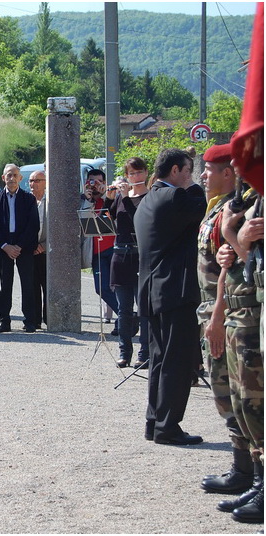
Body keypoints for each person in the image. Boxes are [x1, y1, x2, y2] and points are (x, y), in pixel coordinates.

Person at [194, 143, 254, 499]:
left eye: (209, 169)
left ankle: (248, 473)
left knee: (239, 395)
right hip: (214, 310)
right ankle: (242, 468)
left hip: (230, 310)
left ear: (228, 173)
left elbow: (228, 271)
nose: (203, 175)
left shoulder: (236, 210)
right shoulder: (218, 208)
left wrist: (216, 316)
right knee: (224, 394)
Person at [134, 148, 206, 445]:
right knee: (177, 361)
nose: (190, 177)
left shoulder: (145, 202)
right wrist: (197, 185)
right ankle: (168, 426)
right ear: (174, 171)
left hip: (151, 291)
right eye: (188, 171)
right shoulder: (175, 197)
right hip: (175, 289)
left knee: (159, 360)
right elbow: (199, 205)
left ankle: (154, 422)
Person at [218, 173, 264, 523]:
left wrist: (234, 237)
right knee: (242, 403)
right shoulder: (245, 198)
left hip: (250, 313)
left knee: (254, 404)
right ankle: (257, 477)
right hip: (240, 310)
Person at [0, 163, 40, 333]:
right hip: (3, 248)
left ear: (20, 178)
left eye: (14, 175)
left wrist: (18, 246)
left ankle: (30, 321)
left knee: (28, 283)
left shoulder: (28, 198)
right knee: (5, 284)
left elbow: (33, 225)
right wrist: (5, 246)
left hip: (23, 246)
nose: (11, 178)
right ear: (3, 178)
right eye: (8, 175)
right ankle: (5, 321)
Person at [109, 159, 150, 368]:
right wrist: (109, 198)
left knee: (143, 308)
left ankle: (144, 353)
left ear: (146, 173)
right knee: (124, 310)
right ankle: (124, 352)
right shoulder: (121, 197)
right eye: (131, 173)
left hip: (140, 257)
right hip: (121, 257)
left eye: (139, 172)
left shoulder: (149, 197)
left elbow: (139, 221)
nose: (135, 177)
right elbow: (114, 220)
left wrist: (124, 197)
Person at [84, 169, 120, 334]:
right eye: (92, 181)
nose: (96, 185)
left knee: (116, 287)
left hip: (113, 248)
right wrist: (88, 198)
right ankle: (127, 316)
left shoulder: (112, 196)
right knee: (101, 288)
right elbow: (82, 218)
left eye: (99, 182)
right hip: (96, 251)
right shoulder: (84, 199)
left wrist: (105, 193)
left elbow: (114, 211)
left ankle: (124, 319)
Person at [29, 171, 47, 330]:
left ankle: (50, 318)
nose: (33, 184)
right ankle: (34, 320)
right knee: (32, 286)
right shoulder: (26, 200)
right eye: (31, 180)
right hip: (30, 250)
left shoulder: (52, 201)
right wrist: (32, 244)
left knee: (48, 285)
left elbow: (58, 226)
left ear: (46, 182)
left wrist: (45, 245)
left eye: (37, 180)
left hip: (48, 251)